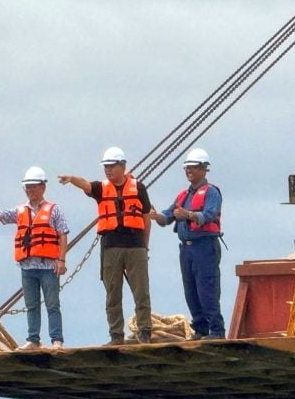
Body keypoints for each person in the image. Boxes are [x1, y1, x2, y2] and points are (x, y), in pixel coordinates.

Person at [58, 147, 153, 345]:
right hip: (111, 246)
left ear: (122, 166)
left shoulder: (139, 188)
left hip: (135, 245)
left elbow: (145, 217)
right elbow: (86, 184)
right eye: (106, 167)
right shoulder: (102, 188)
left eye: (111, 166)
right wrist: (71, 178)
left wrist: (145, 246)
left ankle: (144, 331)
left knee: (141, 290)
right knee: (112, 291)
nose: (108, 170)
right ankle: (116, 335)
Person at [0, 166, 68, 350]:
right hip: (28, 267)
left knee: (52, 304)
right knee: (32, 305)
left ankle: (57, 340)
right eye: (27, 187)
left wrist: (61, 260)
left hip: (49, 266)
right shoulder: (20, 211)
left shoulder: (54, 210)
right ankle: (33, 339)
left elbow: (62, 234)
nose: (30, 190)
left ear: (42, 187)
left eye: (33, 186)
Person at [149, 148, 225, 339]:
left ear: (203, 169)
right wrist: (155, 216)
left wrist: (188, 215)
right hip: (187, 249)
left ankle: (216, 330)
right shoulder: (183, 195)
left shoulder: (211, 192)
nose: (189, 171)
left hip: (205, 246)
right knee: (191, 290)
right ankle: (200, 329)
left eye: (193, 168)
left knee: (207, 288)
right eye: (187, 168)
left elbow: (208, 215)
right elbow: (167, 217)